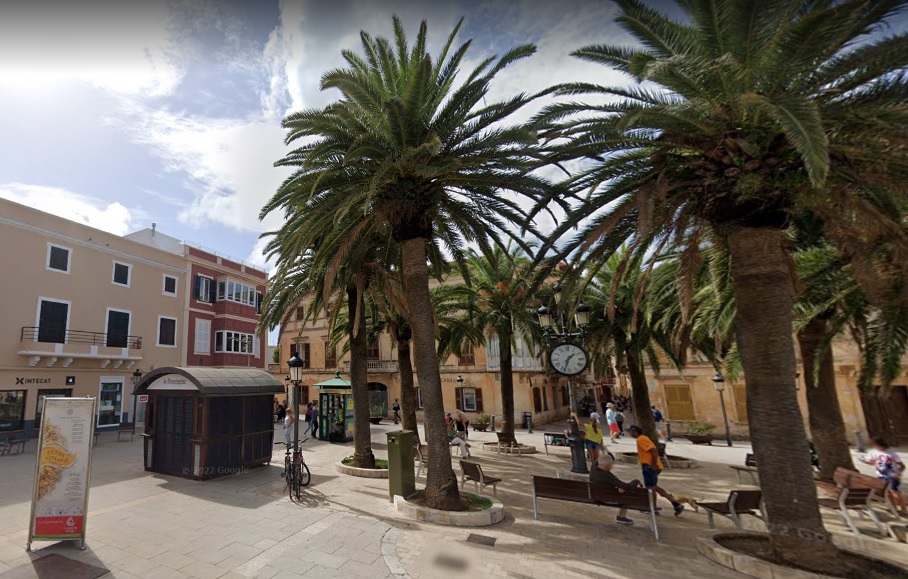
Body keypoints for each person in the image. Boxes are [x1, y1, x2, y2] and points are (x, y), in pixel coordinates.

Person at [627, 425, 684, 516]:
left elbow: (653, 450)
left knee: (650, 488)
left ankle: (653, 508)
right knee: (654, 487)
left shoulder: (641, 439)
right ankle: (675, 503)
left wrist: (653, 464)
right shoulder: (643, 438)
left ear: (635, 431)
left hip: (649, 467)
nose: (629, 433)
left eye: (630, 431)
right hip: (651, 466)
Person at [589, 451, 642, 526]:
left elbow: (597, 462)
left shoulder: (594, 469)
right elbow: (626, 487)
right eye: (611, 464)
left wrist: (616, 486)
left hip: (595, 495)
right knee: (627, 494)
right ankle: (621, 517)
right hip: (607, 498)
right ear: (607, 465)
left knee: (620, 490)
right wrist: (635, 481)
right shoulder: (607, 475)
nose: (612, 466)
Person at [861, 436, 906, 514]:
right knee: (888, 493)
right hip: (881, 475)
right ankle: (893, 508)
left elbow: (901, 465)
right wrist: (865, 461)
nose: (875, 447)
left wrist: (898, 473)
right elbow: (871, 462)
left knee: (895, 492)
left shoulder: (891, 453)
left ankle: (903, 509)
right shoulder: (873, 452)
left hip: (892, 475)